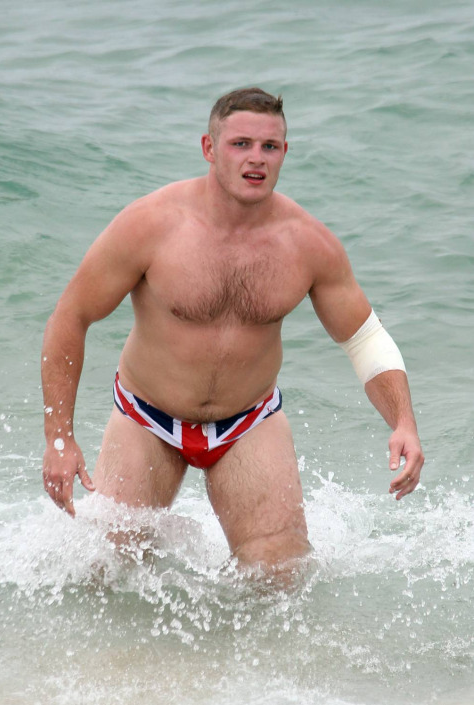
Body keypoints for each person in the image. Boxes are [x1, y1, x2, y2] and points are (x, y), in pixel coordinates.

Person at [42, 87, 424, 570]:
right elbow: (70, 317)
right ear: (209, 148)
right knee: (107, 569)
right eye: (240, 144)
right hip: (148, 419)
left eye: (270, 147)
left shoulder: (307, 243)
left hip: (248, 423)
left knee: (281, 572)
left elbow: (364, 338)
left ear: (285, 153)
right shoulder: (151, 225)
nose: (256, 159)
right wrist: (59, 438)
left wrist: (403, 423)